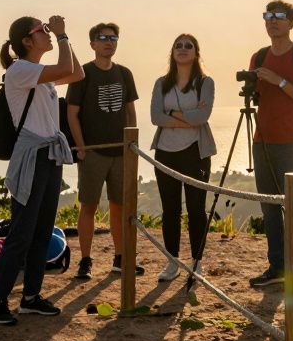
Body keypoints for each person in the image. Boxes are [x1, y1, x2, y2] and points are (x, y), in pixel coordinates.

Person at [0, 15, 82, 326]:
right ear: (27, 41)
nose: (48, 33)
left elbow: (76, 72)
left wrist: (65, 39)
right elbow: (67, 68)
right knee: (22, 232)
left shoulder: (40, 74)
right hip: (32, 156)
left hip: (49, 154)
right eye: (42, 30)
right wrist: (63, 35)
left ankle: (30, 297)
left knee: (42, 230)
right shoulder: (20, 70)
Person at [246, 0, 293, 288]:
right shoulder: (259, 56)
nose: (272, 21)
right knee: (270, 208)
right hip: (263, 141)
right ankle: (277, 268)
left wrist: (279, 81)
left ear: (291, 22)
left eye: (279, 16)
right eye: (267, 16)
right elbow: (255, 95)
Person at [67, 22, 141, 280]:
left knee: (120, 206)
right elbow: (72, 113)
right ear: (92, 44)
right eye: (102, 38)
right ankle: (85, 260)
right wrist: (82, 147)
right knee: (88, 206)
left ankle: (121, 258)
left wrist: (131, 143)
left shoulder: (124, 73)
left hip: (121, 151)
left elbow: (130, 110)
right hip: (93, 152)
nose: (108, 42)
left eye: (113, 37)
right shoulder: (82, 74)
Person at [148, 33, 216, 282]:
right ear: (172, 52)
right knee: (170, 210)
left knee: (197, 210)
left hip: (196, 153)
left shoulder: (205, 83)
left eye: (189, 46)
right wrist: (187, 117)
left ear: (196, 53)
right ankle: (172, 262)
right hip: (165, 153)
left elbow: (202, 117)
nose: (183, 49)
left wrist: (173, 113)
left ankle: (197, 262)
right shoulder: (160, 83)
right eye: (178, 45)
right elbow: (156, 117)